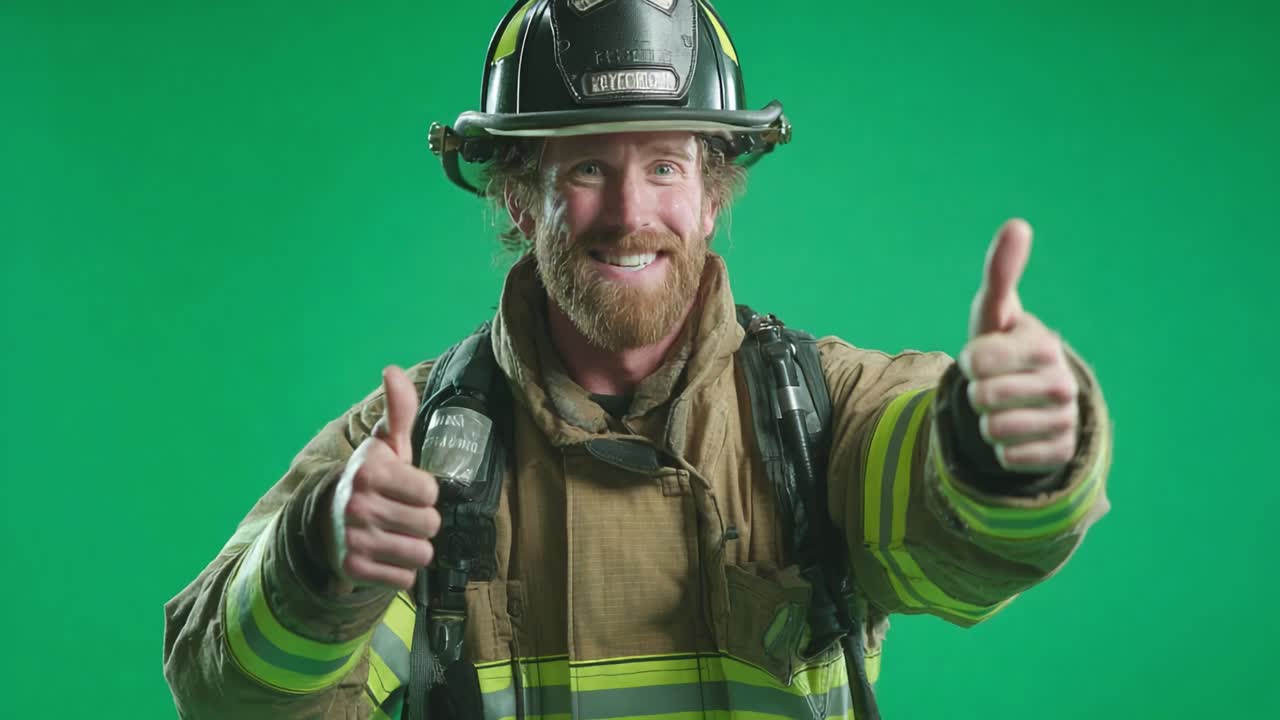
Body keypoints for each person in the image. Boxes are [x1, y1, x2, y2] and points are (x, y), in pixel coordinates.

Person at [162, 2, 1112, 718]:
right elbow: (223, 694)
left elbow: (952, 533)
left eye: (664, 165)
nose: (629, 214)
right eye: (584, 168)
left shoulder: (821, 410)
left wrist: (1001, 446)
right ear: (519, 201)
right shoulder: (402, 456)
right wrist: (322, 560)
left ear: (712, 194)